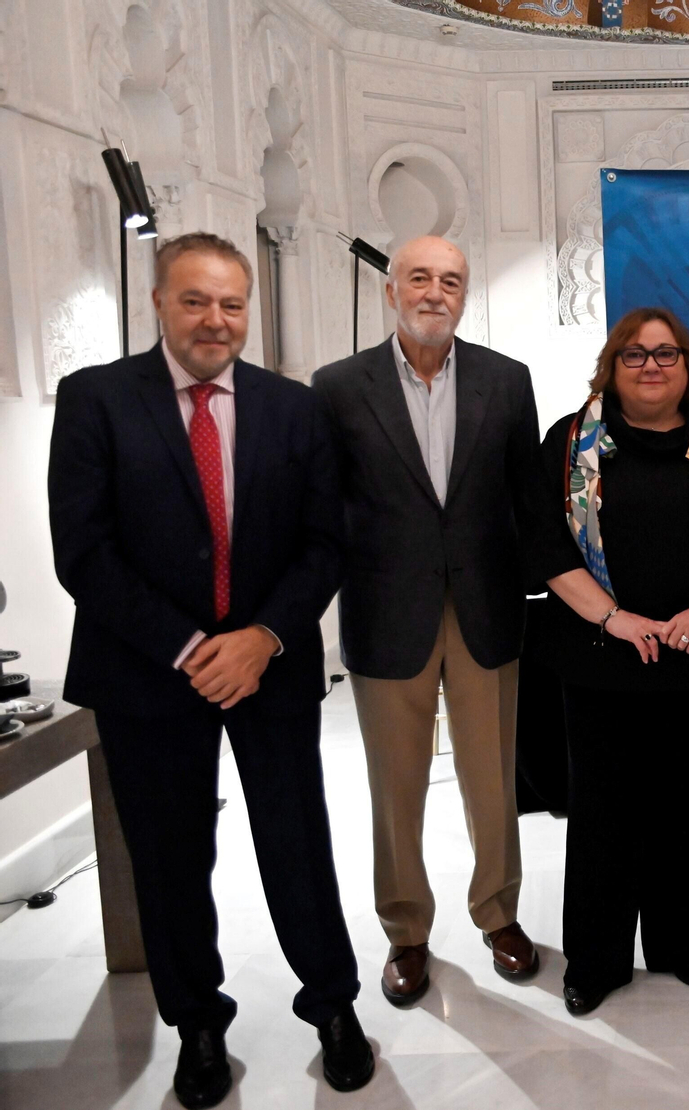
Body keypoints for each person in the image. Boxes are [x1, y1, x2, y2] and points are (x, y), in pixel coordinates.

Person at [48, 233, 372, 1108]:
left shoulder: (293, 408)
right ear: (158, 301)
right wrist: (193, 648)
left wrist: (262, 636)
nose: (215, 320)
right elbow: (82, 553)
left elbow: (324, 542)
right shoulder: (94, 401)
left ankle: (333, 1006)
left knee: (297, 843)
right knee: (169, 854)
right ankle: (197, 1023)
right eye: (195, 300)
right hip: (150, 675)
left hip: (270, 665)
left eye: (231, 303)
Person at [312, 236, 545, 1006]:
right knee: (396, 787)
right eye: (420, 277)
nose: (435, 292)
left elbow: (527, 500)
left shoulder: (506, 383)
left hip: (486, 608)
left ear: (464, 295)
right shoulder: (338, 387)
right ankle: (405, 931)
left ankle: (500, 914)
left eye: (451, 281)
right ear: (391, 291)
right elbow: (323, 510)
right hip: (387, 612)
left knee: (492, 778)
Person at [536, 306, 689, 1016]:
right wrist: (614, 618)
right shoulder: (569, 443)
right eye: (635, 354)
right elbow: (546, 543)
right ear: (612, 367)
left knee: (681, 809)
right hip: (597, 655)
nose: (651, 365)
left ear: (688, 368)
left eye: (666, 354)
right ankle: (596, 958)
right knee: (603, 812)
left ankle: (679, 943)